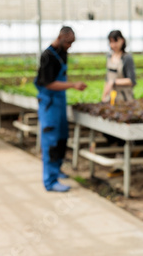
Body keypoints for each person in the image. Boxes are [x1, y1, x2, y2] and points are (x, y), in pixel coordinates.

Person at [34, 26, 87, 192]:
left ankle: (56, 170)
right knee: (51, 140)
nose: (70, 46)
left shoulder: (62, 53)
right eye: (68, 42)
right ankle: (50, 181)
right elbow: (48, 83)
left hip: (59, 102)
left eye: (72, 43)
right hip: (49, 103)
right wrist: (72, 85)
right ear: (61, 37)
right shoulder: (48, 56)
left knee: (62, 137)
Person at [100, 30, 136, 146]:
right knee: (108, 125)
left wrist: (114, 82)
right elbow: (107, 79)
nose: (113, 45)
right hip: (112, 97)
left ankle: (125, 149)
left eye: (116, 41)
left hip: (124, 97)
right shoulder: (109, 56)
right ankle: (117, 148)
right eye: (111, 42)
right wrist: (103, 96)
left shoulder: (127, 58)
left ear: (122, 41)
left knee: (123, 124)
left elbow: (131, 81)